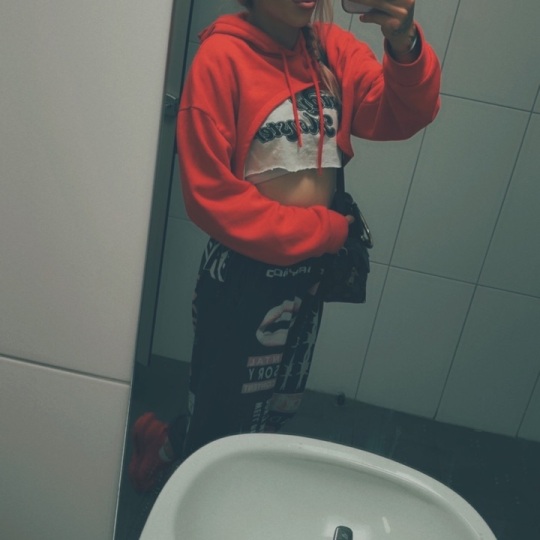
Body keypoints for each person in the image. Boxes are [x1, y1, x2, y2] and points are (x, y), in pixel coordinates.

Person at [129, 0, 441, 491]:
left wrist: (405, 43)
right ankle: (192, 485)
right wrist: (324, 231)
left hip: (306, 275)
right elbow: (211, 199)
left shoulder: (329, 48)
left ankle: (167, 443)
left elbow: (404, 113)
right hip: (241, 278)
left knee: (273, 406)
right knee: (221, 414)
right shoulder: (221, 59)